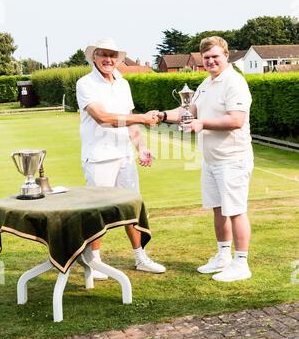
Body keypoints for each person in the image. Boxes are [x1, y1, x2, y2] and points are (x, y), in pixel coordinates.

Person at [158, 36, 253, 282]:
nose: (211, 61)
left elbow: (236, 120)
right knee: (218, 209)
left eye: (215, 57)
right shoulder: (206, 83)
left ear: (226, 56)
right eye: (206, 57)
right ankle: (223, 256)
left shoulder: (235, 83)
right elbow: (189, 111)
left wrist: (201, 124)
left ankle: (241, 263)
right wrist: (160, 115)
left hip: (233, 158)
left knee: (236, 211)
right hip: (211, 159)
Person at [76, 38, 166, 279]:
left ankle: (140, 258)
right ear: (94, 57)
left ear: (118, 58)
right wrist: (144, 119)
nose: (108, 59)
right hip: (99, 158)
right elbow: (103, 118)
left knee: (131, 209)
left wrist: (141, 147)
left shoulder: (123, 83)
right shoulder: (85, 84)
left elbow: (128, 121)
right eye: (103, 54)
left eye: (112, 55)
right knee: (99, 211)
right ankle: (94, 262)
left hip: (124, 156)